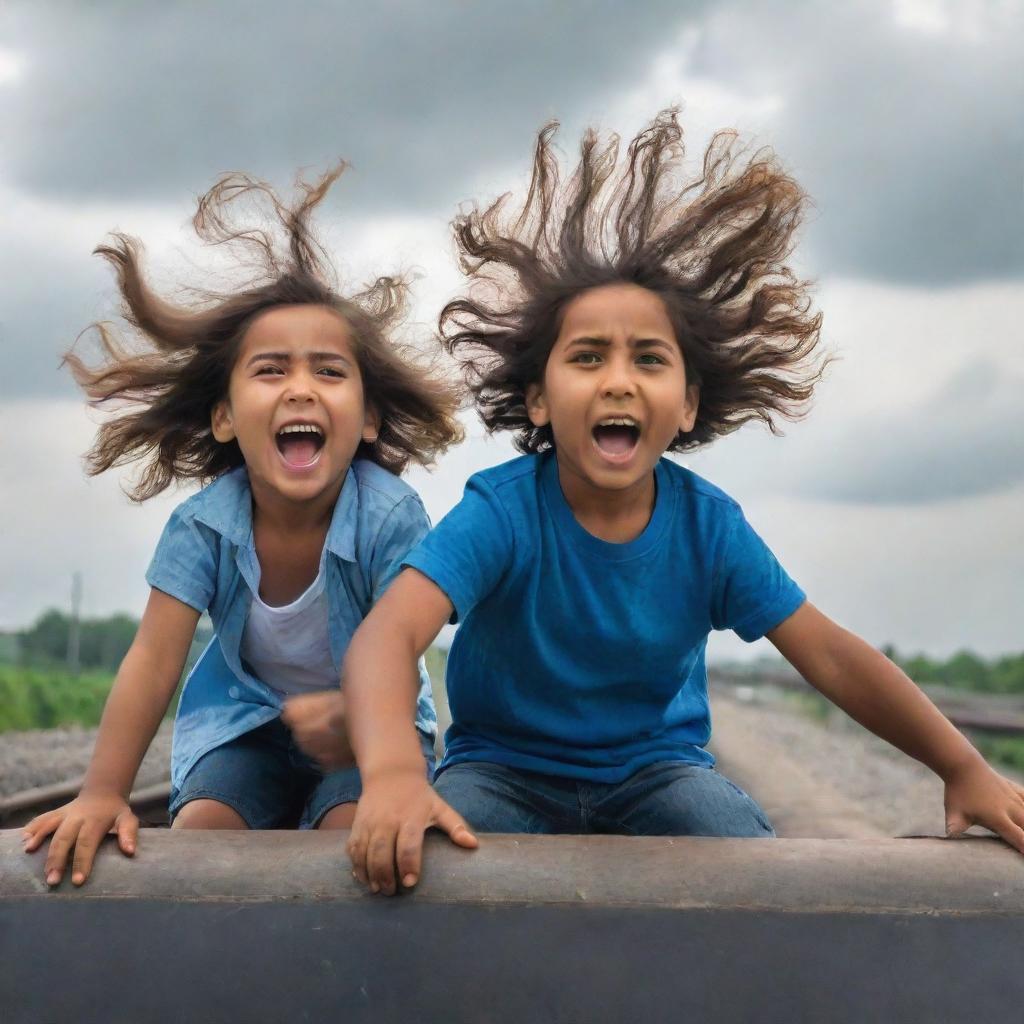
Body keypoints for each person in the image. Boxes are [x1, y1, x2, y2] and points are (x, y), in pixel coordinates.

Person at [319, 109, 1024, 896]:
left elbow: (829, 654)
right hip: (503, 773)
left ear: (687, 405)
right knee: (427, 870)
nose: (618, 380)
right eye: (587, 357)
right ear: (539, 399)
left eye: (647, 360)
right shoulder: (503, 511)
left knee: (755, 877)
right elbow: (387, 637)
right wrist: (391, 774)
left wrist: (962, 767)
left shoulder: (707, 527)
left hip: (659, 774)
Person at [21, 165, 461, 886]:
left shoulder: (388, 517)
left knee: (354, 838)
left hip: (370, 731)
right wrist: (101, 793)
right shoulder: (204, 527)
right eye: (270, 371)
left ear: (370, 417)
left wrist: (384, 767)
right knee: (202, 839)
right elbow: (154, 661)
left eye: (327, 371)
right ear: (225, 418)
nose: (299, 388)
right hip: (245, 724)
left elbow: (401, 646)